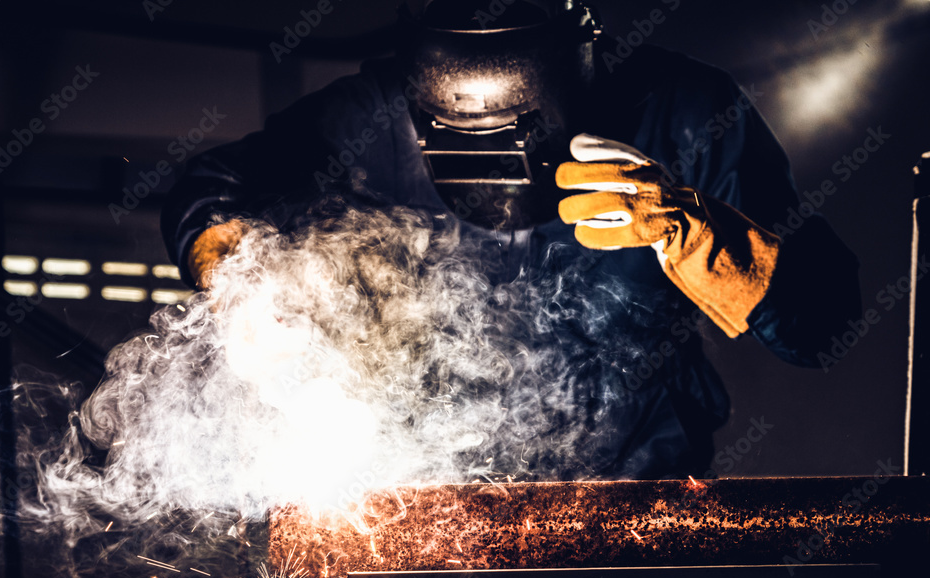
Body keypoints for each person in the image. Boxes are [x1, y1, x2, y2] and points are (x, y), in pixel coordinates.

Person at [160, 0, 860, 479]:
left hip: (637, 511)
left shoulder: (688, 114)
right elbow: (212, 183)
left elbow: (826, 324)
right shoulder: (373, 112)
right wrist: (239, 283)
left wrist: (702, 232)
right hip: (434, 515)